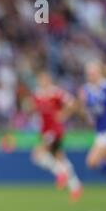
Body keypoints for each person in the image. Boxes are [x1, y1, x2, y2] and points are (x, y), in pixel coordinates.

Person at [30, 71, 83, 201]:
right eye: (40, 79)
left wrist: (64, 114)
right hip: (45, 131)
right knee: (60, 157)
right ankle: (75, 186)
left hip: (55, 130)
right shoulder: (37, 95)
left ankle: (61, 173)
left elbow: (73, 103)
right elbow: (33, 109)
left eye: (45, 79)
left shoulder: (56, 93)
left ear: (49, 80)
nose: (43, 82)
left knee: (37, 154)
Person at [78, 61, 106, 188]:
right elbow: (87, 111)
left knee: (92, 161)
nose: (91, 76)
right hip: (100, 130)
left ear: (99, 72)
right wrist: (83, 105)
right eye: (89, 74)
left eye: (93, 73)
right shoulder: (86, 90)